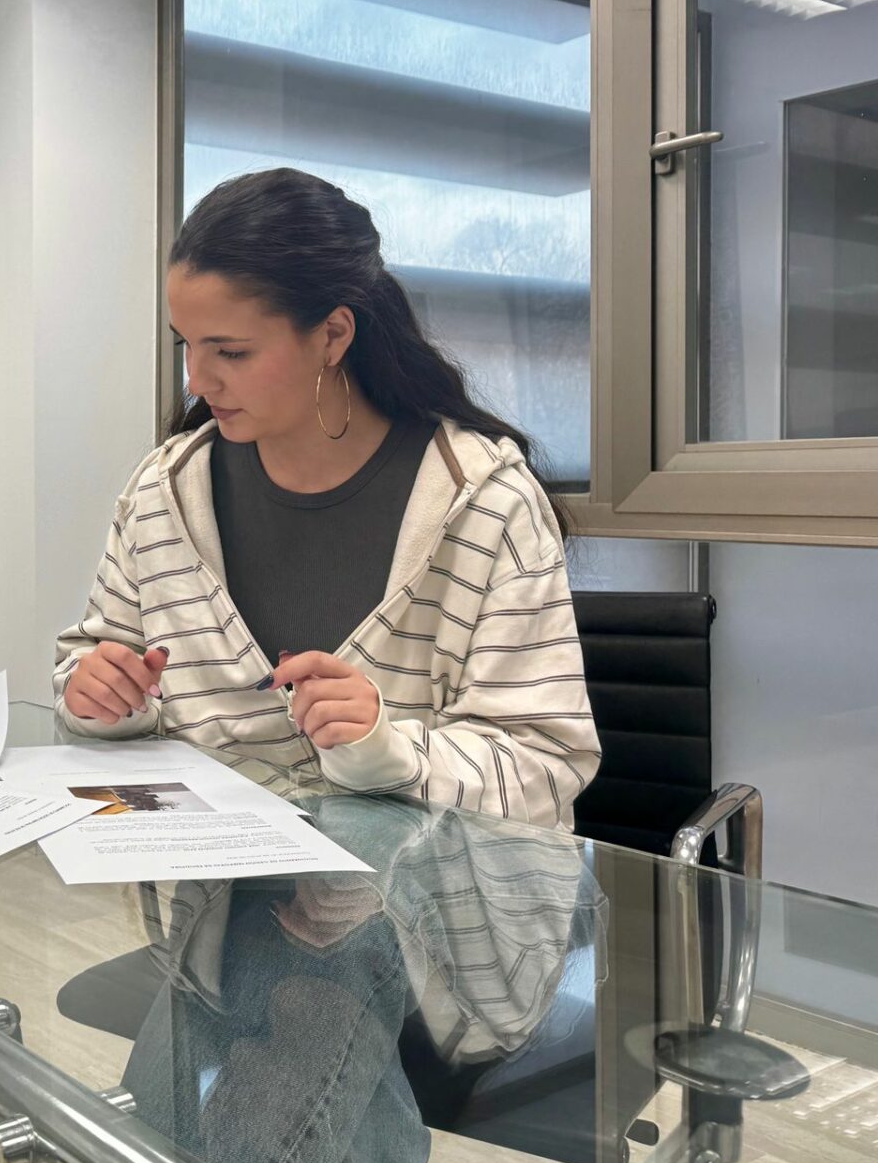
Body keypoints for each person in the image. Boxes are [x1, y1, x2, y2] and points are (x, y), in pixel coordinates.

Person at [56, 167, 599, 829]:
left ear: (334, 335)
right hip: (210, 909)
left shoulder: (486, 503)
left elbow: (545, 764)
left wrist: (386, 750)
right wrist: (101, 695)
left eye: (230, 351)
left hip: (428, 916)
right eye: (187, 346)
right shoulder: (162, 492)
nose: (197, 381)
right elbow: (93, 660)